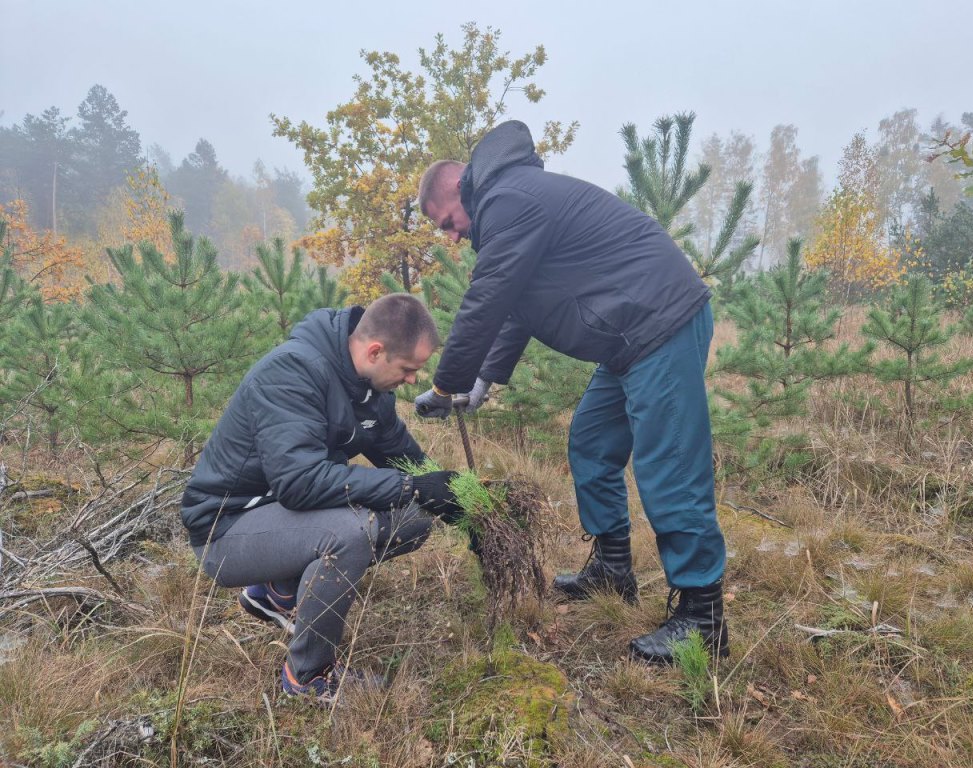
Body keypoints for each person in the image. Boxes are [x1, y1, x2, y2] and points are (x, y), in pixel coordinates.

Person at [414, 120, 728, 663]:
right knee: (590, 442)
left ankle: (702, 618)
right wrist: (483, 379)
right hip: (629, 339)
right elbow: (516, 305)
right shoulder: (513, 202)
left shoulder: (510, 199)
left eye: (447, 222)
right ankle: (612, 571)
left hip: (659, 322)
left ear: (459, 189)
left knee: (669, 465)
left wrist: (447, 384)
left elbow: (487, 296)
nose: (452, 236)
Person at [181, 294, 465, 702]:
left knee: (416, 518)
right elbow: (299, 483)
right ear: (375, 351)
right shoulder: (292, 372)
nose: (412, 380)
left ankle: (275, 593)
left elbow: (401, 454)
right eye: (408, 369)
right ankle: (308, 677)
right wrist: (411, 487)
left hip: (282, 519)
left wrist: (458, 501)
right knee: (349, 532)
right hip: (226, 530)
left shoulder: (369, 388)